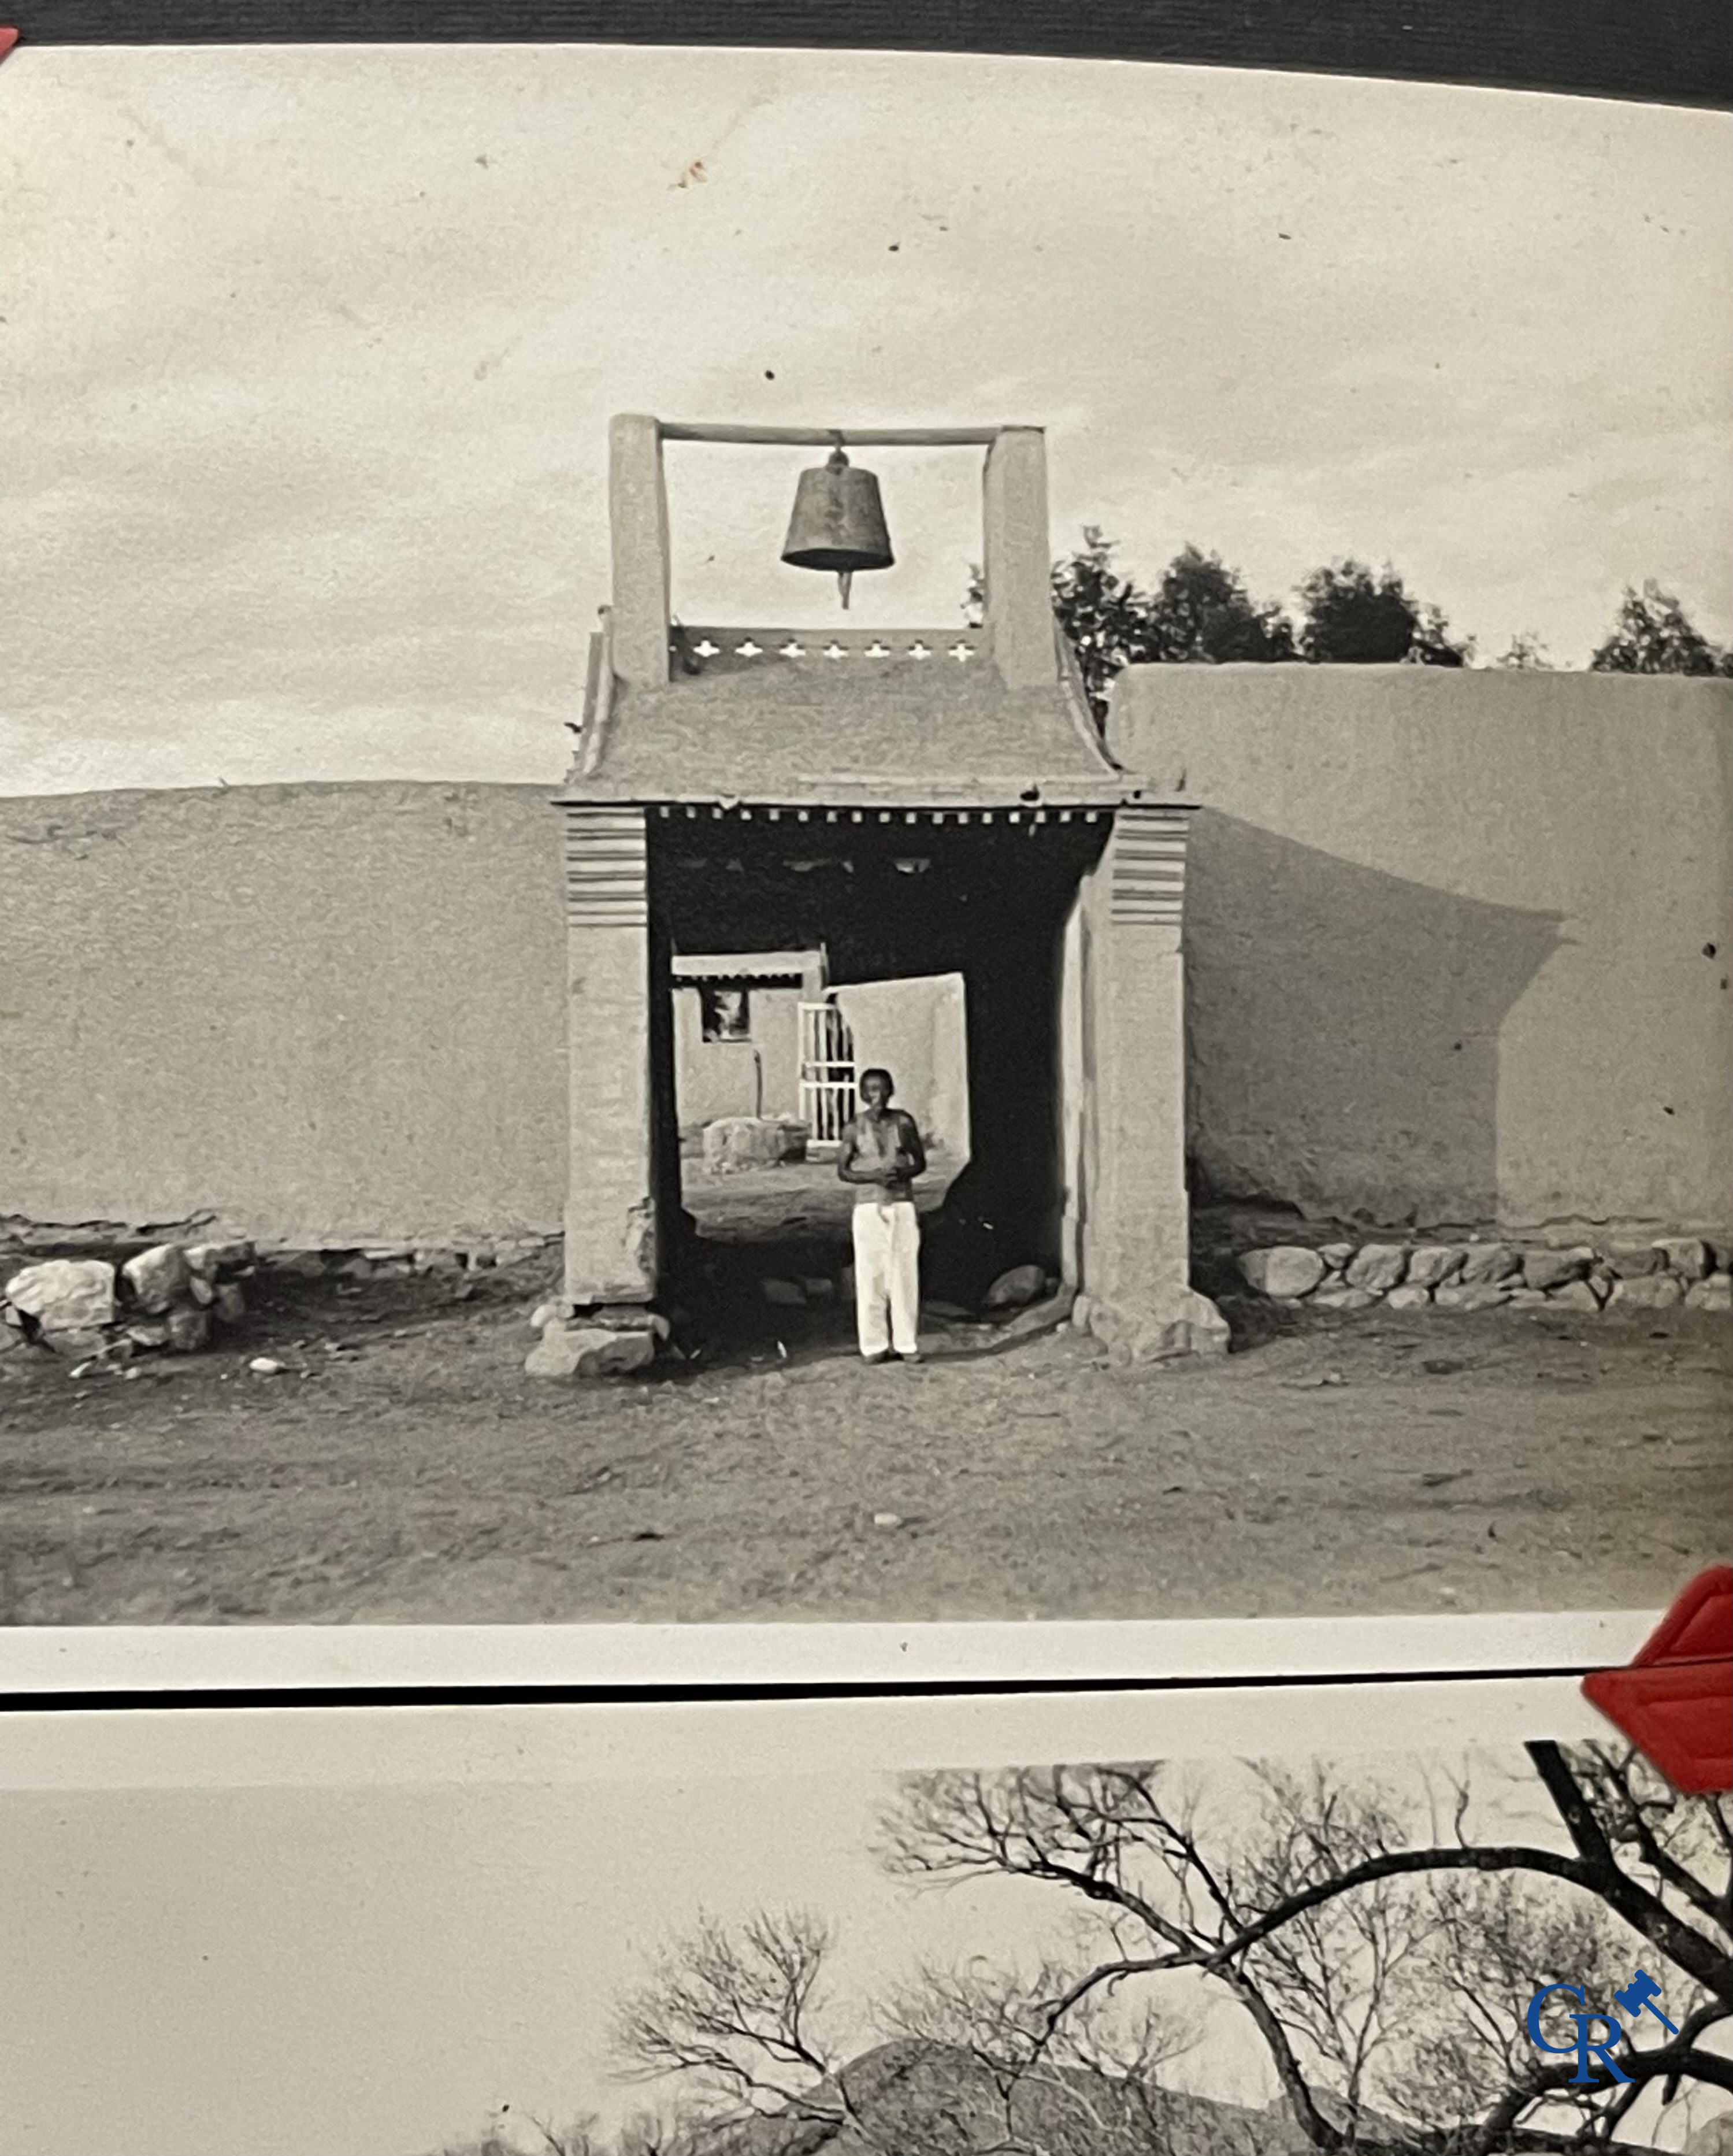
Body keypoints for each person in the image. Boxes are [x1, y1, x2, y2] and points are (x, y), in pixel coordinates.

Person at [837, 1067, 927, 1364]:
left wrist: (903, 1172)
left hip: (901, 1203)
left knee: (904, 1274)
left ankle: (906, 1343)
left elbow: (920, 1162)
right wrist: (874, 1176)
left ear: (891, 1092)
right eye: (872, 1090)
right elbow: (844, 1171)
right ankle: (874, 1344)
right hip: (867, 1207)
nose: (878, 1096)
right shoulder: (854, 1127)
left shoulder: (903, 1122)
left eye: (883, 1089)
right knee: (871, 1274)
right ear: (863, 1094)